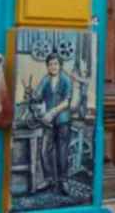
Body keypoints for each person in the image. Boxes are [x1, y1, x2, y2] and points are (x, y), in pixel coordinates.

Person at [35, 53, 73, 195]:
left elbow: (66, 102)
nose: (53, 66)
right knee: (44, 150)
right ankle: (49, 179)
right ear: (47, 66)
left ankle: (63, 181)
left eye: (56, 64)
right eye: (50, 64)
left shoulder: (66, 80)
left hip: (62, 120)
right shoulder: (46, 79)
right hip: (48, 123)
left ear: (60, 65)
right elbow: (37, 95)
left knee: (62, 152)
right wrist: (34, 94)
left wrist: (51, 113)